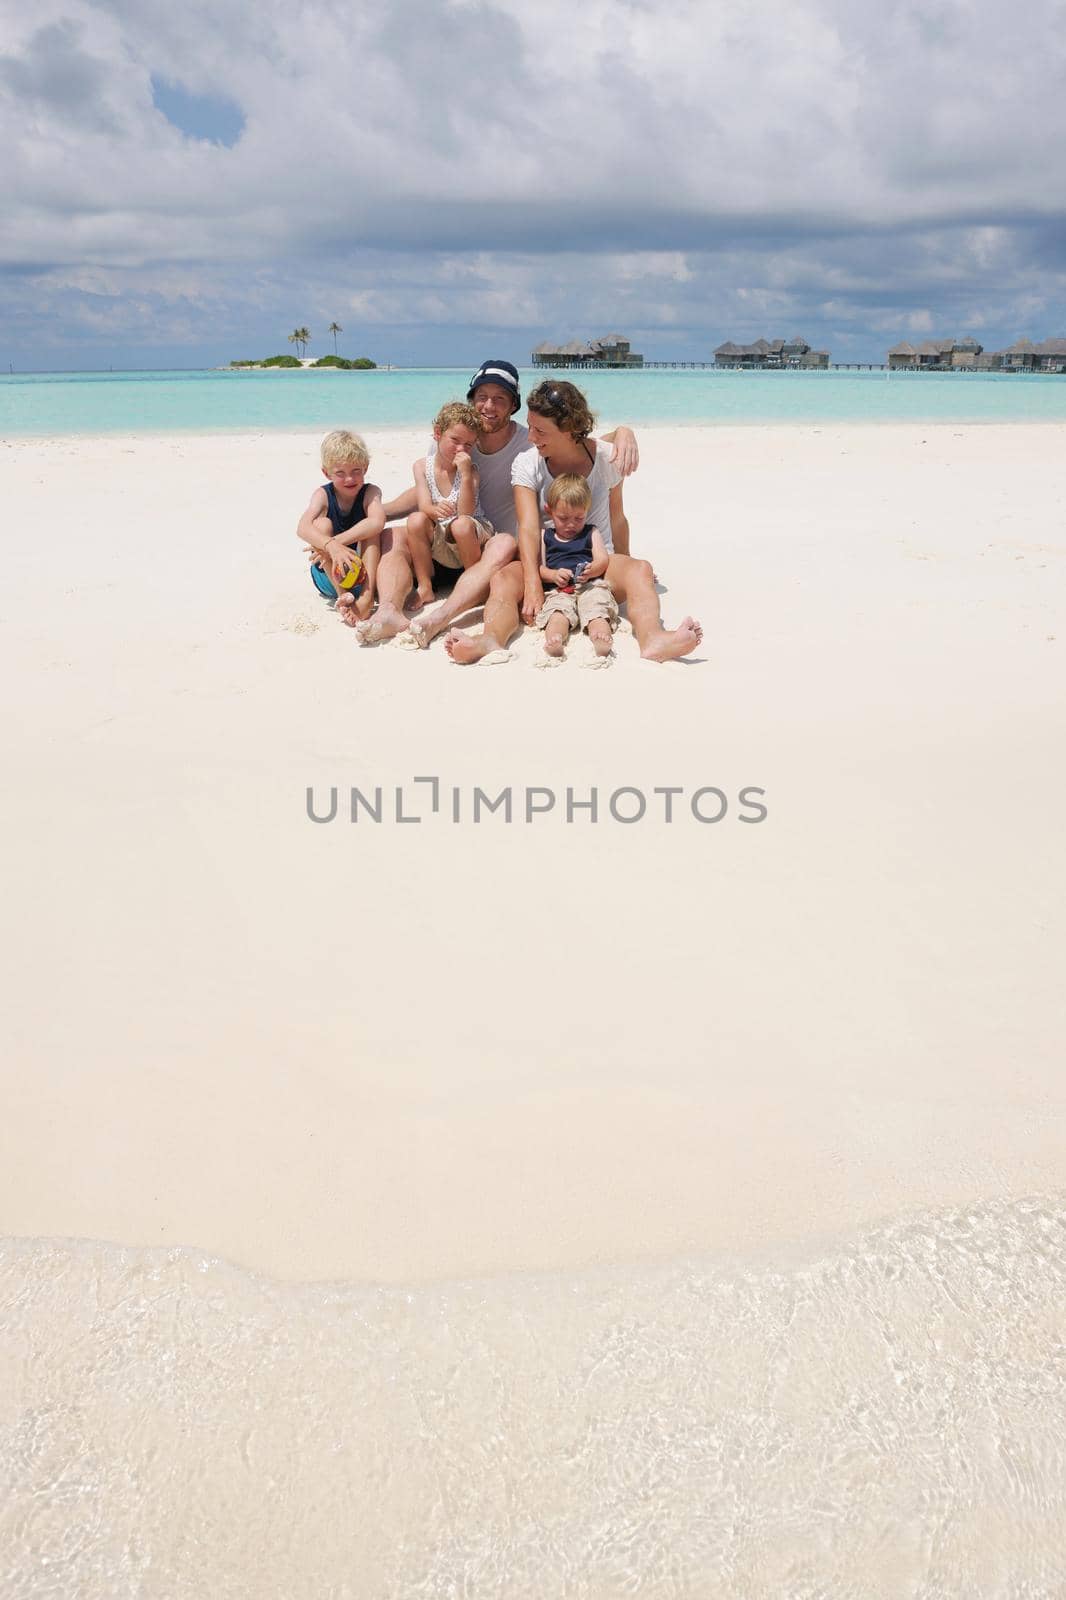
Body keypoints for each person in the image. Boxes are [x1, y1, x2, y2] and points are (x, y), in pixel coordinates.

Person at [357, 360, 638, 647]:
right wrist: (377, 512)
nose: (488, 406)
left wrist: (623, 433)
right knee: (394, 535)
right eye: (482, 397)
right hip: (445, 543)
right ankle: (389, 611)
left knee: (504, 543)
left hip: (490, 553)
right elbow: (428, 490)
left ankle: (441, 617)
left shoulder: (530, 444)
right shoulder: (456, 436)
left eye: (499, 399)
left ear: (513, 405)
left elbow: (578, 443)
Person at [443, 379, 703, 665]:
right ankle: (489, 638)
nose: (531, 437)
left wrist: (628, 572)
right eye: (530, 427)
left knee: (641, 568)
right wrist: (531, 582)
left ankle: (653, 638)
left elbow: (618, 519)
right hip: (545, 566)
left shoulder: (607, 458)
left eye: (540, 430)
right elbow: (528, 528)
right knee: (503, 578)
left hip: (597, 565)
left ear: (570, 430)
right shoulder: (527, 463)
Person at [405, 402, 493, 609]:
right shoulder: (421, 467)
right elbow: (424, 505)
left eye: (469, 445)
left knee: (460, 525)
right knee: (416, 520)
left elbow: (466, 513)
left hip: (472, 530)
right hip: (443, 532)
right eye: (455, 440)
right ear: (438, 433)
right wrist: (433, 511)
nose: (461, 449)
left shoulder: (471, 472)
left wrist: (465, 475)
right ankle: (426, 586)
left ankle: (474, 586)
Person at [296, 429, 385, 625]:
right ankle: (343, 597)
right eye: (340, 473)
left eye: (356, 471)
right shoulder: (322, 495)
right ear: (326, 473)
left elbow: (378, 521)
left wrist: (336, 542)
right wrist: (330, 546)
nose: (349, 479)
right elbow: (302, 527)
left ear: (366, 468)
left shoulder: (371, 492)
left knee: (371, 529)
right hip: (327, 577)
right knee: (321, 524)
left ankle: (366, 598)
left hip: (362, 575)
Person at [535, 473, 617, 660]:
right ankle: (556, 639)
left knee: (597, 609)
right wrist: (553, 575)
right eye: (563, 518)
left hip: (589, 586)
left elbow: (603, 559)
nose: (571, 524)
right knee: (558, 613)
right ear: (549, 511)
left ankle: (600, 638)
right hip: (560, 590)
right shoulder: (544, 536)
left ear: (587, 511)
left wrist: (592, 570)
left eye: (578, 518)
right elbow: (539, 568)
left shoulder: (591, 531)